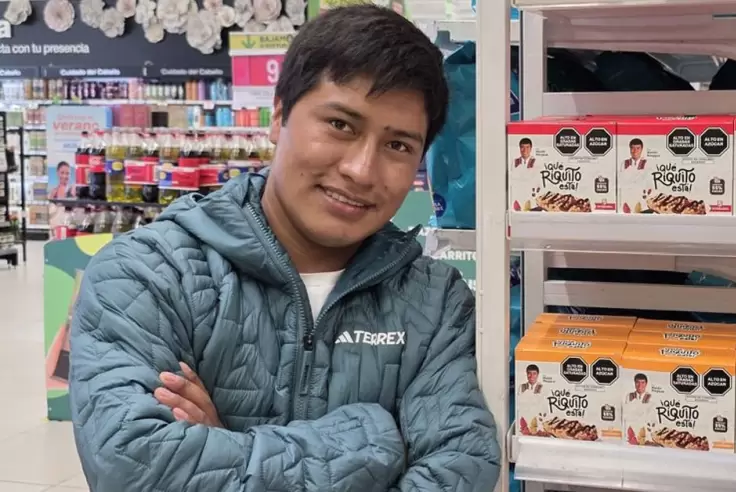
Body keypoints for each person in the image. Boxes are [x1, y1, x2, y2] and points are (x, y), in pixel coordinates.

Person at [68, 6, 500, 492]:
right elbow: (134, 469)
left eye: (398, 145)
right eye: (341, 124)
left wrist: (225, 446)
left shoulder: (434, 301)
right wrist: (376, 441)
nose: (361, 170)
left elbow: (460, 469)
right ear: (279, 115)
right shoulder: (147, 274)